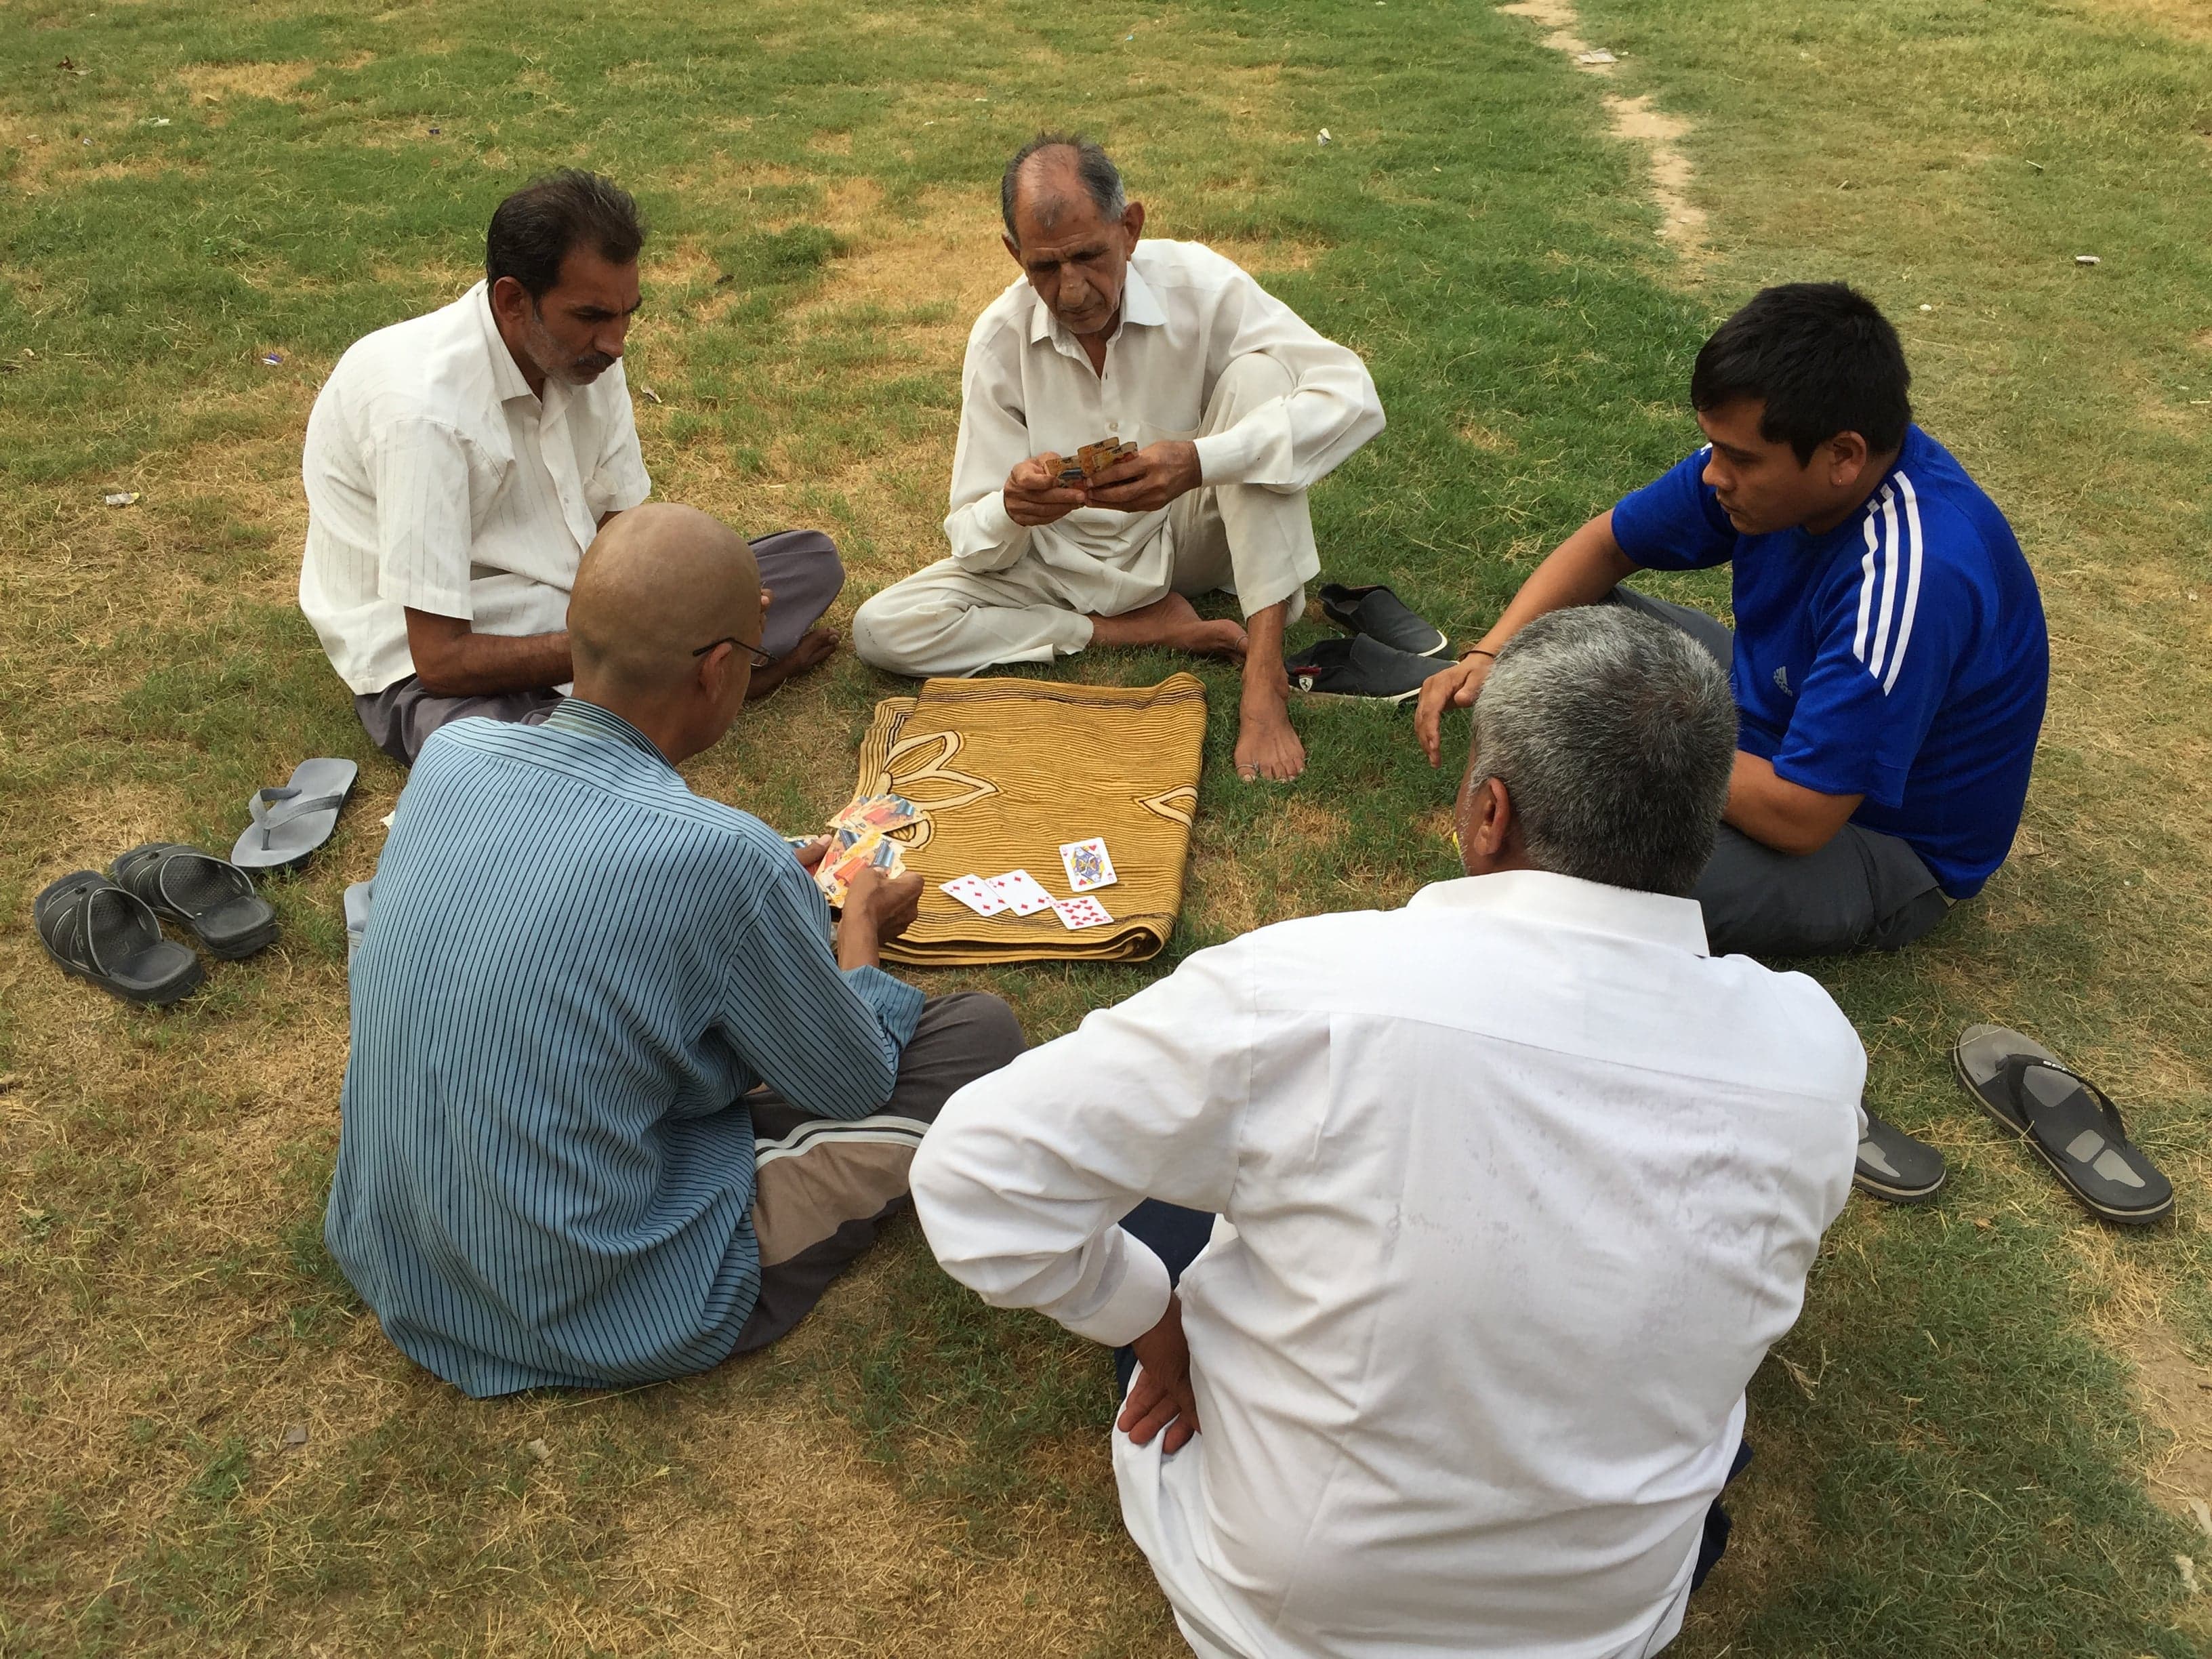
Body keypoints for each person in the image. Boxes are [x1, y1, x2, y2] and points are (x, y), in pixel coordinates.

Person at [912, 607, 1864, 1659]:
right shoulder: (1813, 1057)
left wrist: (1146, 1316)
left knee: (1165, 1195)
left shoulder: (1308, 995)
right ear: (1699, 827)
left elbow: (975, 1173)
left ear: (1488, 813)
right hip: (1607, 1623)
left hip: (1295, 1611)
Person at [325, 504, 1023, 1397]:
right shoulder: (721, 861)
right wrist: (859, 935)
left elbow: (562, 874)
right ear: (722, 671)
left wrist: (766, 878)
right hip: (587, 1302)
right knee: (978, 1037)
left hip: (400, 1253)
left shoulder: (455, 756)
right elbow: (853, 1081)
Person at [1414, 281, 2048, 1203]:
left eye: (1739, 458)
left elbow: (1800, 817)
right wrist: (1490, 654)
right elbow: (1604, 547)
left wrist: (1645, 755)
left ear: (1843, 457)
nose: (1715, 476)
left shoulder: (1915, 572)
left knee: (1581, 851)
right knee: (1565, 633)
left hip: (1882, 846)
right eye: (1714, 448)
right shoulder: (1768, 467)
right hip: (1776, 723)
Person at [851, 134, 1386, 783]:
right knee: (882, 628)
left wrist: (1199, 461)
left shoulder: (1201, 285)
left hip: (1189, 540)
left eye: (1088, 256)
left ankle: (1265, 673)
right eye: (1044, 268)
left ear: (1129, 228)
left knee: (1261, 383)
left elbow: (1352, 395)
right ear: (1014, 254)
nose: (1071, 291)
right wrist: (1011, 508)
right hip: (1063, 561)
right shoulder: (999, 338)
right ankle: (1135, 630)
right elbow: (972, 538)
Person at [300, 169, 843, 766]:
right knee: (512, 763)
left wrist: (701, 606)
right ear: (512, 301)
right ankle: (690, 690)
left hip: (579, 613)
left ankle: (678, 686)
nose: (616, 342)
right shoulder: (424, 413)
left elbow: (623, 541)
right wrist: (643, 650)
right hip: (444, 667)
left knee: (808, 561)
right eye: (592, 316)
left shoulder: (586, 356)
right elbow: (441, 658)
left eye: (626, 314)